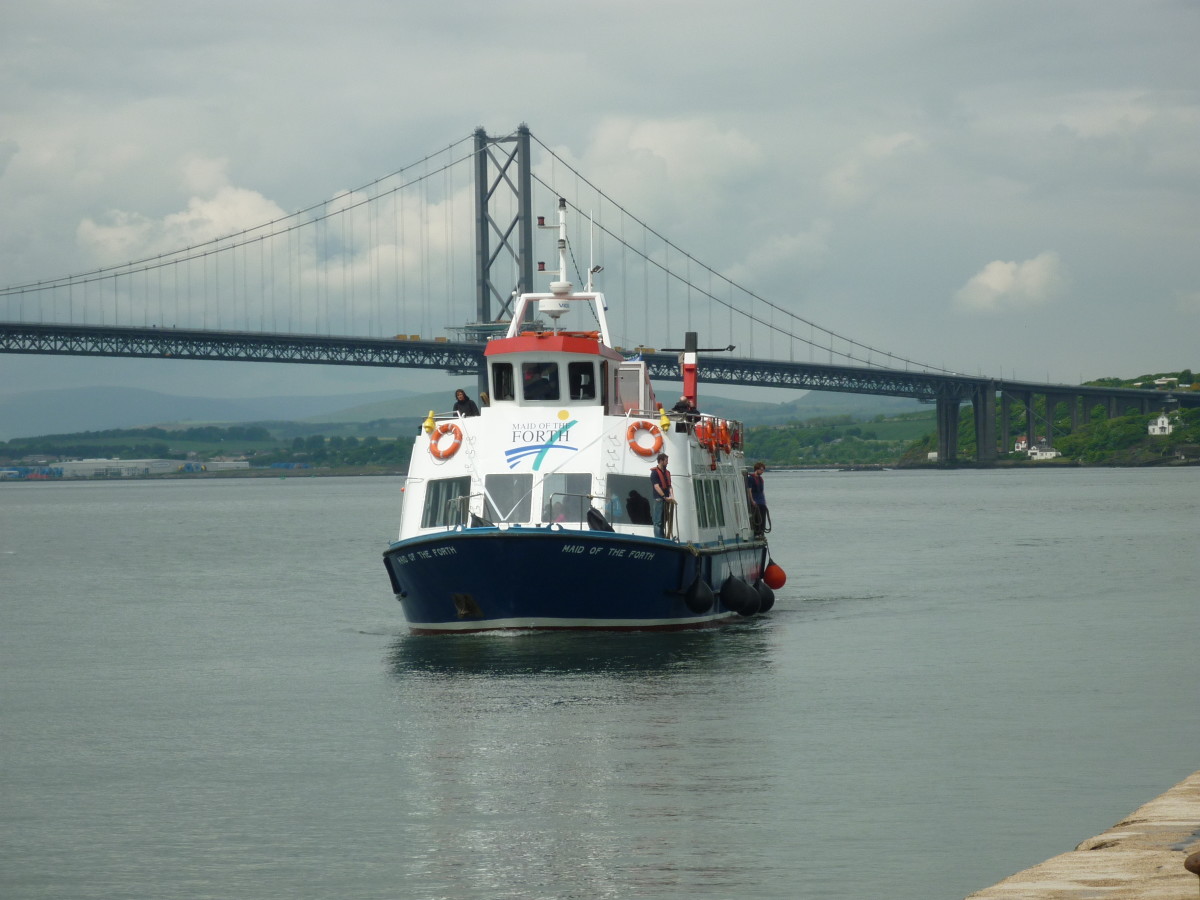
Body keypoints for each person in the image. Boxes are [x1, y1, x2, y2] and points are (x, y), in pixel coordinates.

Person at [650, 453, 674, 538]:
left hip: (666, 500)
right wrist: (664, 497)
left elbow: (669, 486)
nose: (667, 463)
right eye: (666, 461)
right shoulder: (654, 473)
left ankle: (663, 537)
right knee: (658, 522)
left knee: (664, 520)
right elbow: (656, 486)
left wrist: (672, 496)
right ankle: (659, 539)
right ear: (661, 461)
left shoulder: (667, 473)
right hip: (659, 500)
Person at [745, 461, 768, 536]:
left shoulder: (760, 479)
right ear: (757, 469)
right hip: (756, 501)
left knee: (763, 518)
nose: (762, 471)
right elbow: (749, 490)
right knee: (757, 518)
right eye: (761, 470)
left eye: (763, 470)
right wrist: (752, 500)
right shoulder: (751, 478)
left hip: (761, 501)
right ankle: (757, 532)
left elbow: (762, 491)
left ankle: (761, 532)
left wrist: (764, 500)